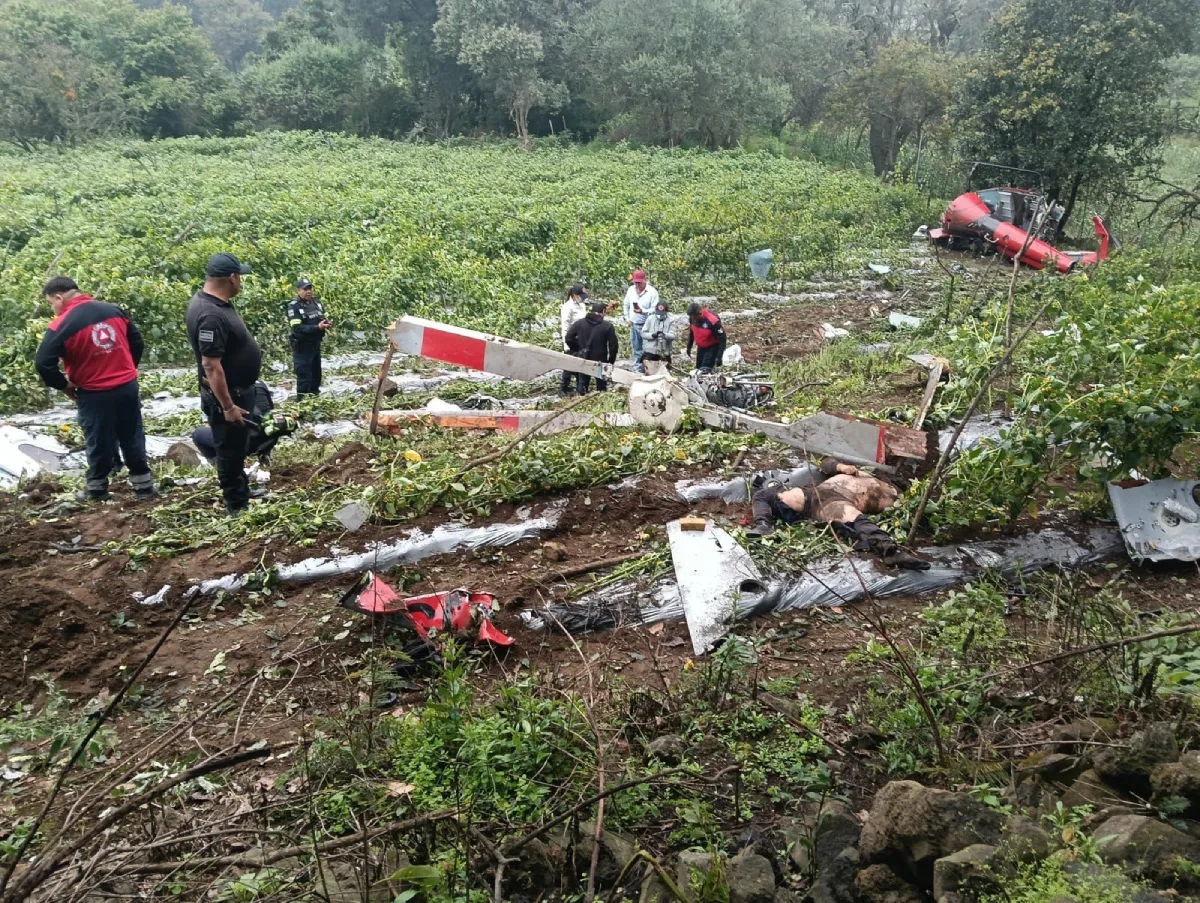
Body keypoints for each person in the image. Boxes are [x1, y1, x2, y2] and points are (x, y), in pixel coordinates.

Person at [34, 277, 158, 502]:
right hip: (127, 387)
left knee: (99, 440)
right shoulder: (113, 310)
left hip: (94, 393)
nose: (53, 308)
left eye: (51, 303)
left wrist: (64, 386)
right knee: (132, 436)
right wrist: (126, 369)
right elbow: (137, 343)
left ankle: (97, 490)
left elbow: (43, 363)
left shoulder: (61, 325)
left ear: (59, 297)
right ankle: (144, 488)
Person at [747, 458, 929, 569]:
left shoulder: (899, 492)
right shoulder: (868, 470)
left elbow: (914, 504)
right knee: (767, 494)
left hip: (836, 503)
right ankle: (763, 525)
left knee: (855, 520)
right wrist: (842, 467)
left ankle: (890, 551)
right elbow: (825, 464)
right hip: (818, 494)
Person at [186, 252, 263, 514]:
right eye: (240, 276)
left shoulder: (214, 305)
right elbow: (210, 365)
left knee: (236, 448)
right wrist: (228, 406)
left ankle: (242, 494)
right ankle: (237, 506)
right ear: (232, 277)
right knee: (229, 451)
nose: (241, 281)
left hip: (239, 392)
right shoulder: (210, 314)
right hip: (229, 397)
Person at [191, 381, 297, 466]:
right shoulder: (260, 384)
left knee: (197, 434)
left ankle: (220, 464)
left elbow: (219, 417)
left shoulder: (223, 388)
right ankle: (264, 455)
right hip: (267, 438)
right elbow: (269, 411)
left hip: (241, 443)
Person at [287, 278, 331, 397]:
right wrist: (317, 328)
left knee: (316, 376)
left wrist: (327, 323)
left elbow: (323, 317)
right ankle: (302, 405)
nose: (308, 291)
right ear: (298, 291)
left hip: (315, 344)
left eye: (310, 288)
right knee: (304, 378)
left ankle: (314, 401)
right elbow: (297, 328)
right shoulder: (294, 306)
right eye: (305, 289)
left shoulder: (317, 303)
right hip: (302, 347)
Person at [565, 301, 619, 394]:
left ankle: (582, 398)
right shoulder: (607, 326)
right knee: (601, 388)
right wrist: (610, 361)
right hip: (600, 360)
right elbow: (613, 345)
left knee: (582, 385)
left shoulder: (579, 323)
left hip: (584, 358)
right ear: (603, 311)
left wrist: (578, 348)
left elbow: (568, 338)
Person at [622, 270, 659, 373]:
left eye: (639, 282)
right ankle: (637, 369)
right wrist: (627, 318)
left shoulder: (652, 292)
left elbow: (655, 310)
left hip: (647, 326)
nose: (637, 284)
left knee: (648, 349)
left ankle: (648, 369)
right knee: (636, 348)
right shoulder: (631, 290)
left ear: (644, 280)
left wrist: (643, 311)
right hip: (634, 324)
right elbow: (626, 304)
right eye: (635, 282)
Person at [558, 284, 589, 395]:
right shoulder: (567, 307)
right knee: (568, 366)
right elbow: (565, 327)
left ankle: (580, 390)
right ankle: (563, 389)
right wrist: (566, 344)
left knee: (581, 365)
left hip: (581, 339)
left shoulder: (582, 305)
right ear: (574, 295)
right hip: (571, 339)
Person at [686, 301, 727, 372]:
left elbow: (722, 338)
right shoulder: (692, 319)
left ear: (699, 314)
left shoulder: (713, 321)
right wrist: (689, 347)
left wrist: (719, 356)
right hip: (701, 347)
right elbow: (692, 332)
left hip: (712, 347)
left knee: (705, 370)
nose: (693, 320)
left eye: (694, 318)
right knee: (698, 369)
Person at [640, 299, 675, 375]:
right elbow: (643, 333)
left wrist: (665, 335)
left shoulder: (671, 320)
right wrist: (652, 335)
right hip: (651, 350)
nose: (660, 315)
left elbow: (673, 335)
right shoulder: (650, 319)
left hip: (664, 351)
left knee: (665, 374)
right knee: (647, 372)